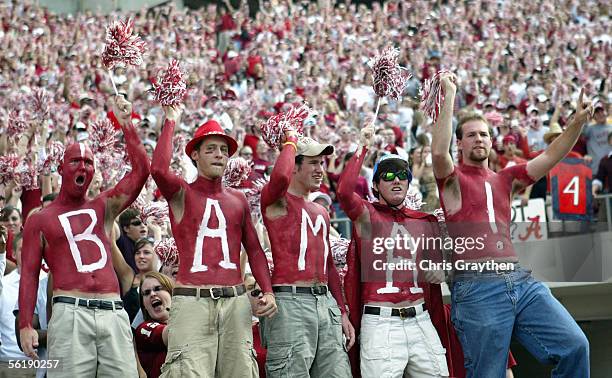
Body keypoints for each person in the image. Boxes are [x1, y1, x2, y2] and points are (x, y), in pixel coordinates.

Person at [431, 73, 592, 377]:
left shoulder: (506, 179)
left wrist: (576, 125)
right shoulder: (453, 182)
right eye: (472, 135)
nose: (480, 139)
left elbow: (550, 156)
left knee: (575, 345)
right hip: (476, 288)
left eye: (484, 134)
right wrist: (449, 93)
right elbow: (439, 152)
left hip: (521, 281)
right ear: (460, 144)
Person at [18, 96, 149, 377]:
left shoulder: (104, 206)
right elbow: (28, 274)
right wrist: (26, 324)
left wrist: (126, 124)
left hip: (113, 311)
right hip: (69, 311)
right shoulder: (40, 219)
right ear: (61, 168)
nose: (83, 167)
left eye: (89, 162)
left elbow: (141, 173)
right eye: (75, 161)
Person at [150, 105, 276, 377]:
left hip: (235, 302)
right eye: (211, 149)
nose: (219, 154)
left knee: (242, 372)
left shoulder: (238, 199)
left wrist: (267, 290)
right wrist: (171, 119)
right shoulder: (182, 193)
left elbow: (254, 249)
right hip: (192, 300)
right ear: (194, 155)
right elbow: (158, 169)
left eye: (223, 149)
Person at [338, 125, 451, 378]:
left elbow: (437, 271)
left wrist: (440, 273)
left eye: (402, 174)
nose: (396, 179)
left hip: (421, 319)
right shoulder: (367, 216)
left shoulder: (424, 221)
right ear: (375, 185)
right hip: (381, 323)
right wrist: (362, 147)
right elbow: (344, 192)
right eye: (387, 175)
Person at [259, 131, 354, 377]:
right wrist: (290, 140)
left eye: (321, 163)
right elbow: (279, 176)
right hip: (290, 303)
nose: (320, 169)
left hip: (325, 303)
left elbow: (329, 266)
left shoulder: (321, 211)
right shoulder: (277, 203)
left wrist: (341, 311)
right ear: (294, 166)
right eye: (313, 162)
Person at [134, 271, 174, 378]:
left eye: (157, 289)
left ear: (172, 294)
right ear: (144, 306)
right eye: (146, 293)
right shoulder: (142, 329)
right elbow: (172, 335)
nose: (152, 294)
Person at [116, 208, 149, 273]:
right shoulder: (122, 241)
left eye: (145, 222)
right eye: (137, 223)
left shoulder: (142, 245)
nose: (143, 226)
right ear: (126, 229)